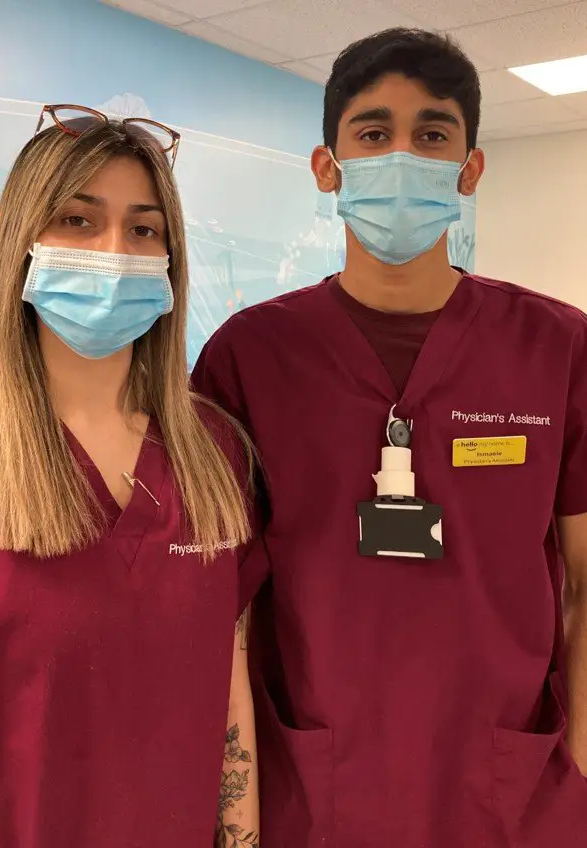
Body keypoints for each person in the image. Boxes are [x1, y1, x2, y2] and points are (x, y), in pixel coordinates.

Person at [193, 27, 587, 848]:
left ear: (469, 167)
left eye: (432, 134)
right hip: (315, 777)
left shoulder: (557, 348)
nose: (401, 155)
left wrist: (580, 753)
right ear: (326, 167)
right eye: (372, 134)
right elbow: (215, 599)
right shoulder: (248, 356)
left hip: (508, 780)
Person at [0, 106, 260, 848]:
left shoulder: (212, 451)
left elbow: (229, 702)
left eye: (143, 229)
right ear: (20, 245)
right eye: (76, 220)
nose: (115, 251)